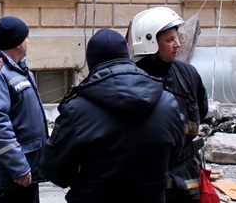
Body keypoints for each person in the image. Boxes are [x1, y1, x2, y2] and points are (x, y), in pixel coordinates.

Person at [40, 28, 186, 203]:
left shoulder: (77, 109)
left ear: (92, 63)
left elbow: (54, 170)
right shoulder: (167, 101)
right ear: (126, 57)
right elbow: (176, 151)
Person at [129, 6, 209, 203]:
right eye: (169, 40)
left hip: (186, 175)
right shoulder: (130, 78)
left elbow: (202, 110)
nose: (178, 44)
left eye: (177, 38)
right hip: (148, 177)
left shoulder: (188, 74)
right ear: (150, 43)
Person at [0, 16, 48, 203]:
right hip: (9, 178)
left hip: (24, 172)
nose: (28, 41)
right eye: (26, 37)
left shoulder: (16, 69)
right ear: (17, 43)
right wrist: (18, 167)